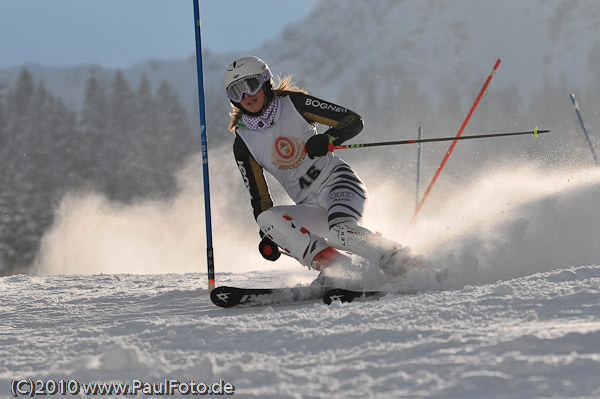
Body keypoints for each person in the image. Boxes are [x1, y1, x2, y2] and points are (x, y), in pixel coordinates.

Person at [224, 55, 418, 286]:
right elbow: (260, 198)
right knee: (266, 218)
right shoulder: (243, 141)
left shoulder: (294, 104)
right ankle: (340, 270)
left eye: (250, 85)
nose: (246, 96)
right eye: (236, 91)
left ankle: (405, 264)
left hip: (338, 183)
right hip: (309, 206)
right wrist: (272, 233)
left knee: (340, 233)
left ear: (265, 82)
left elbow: (351, 120)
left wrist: (328, 138)